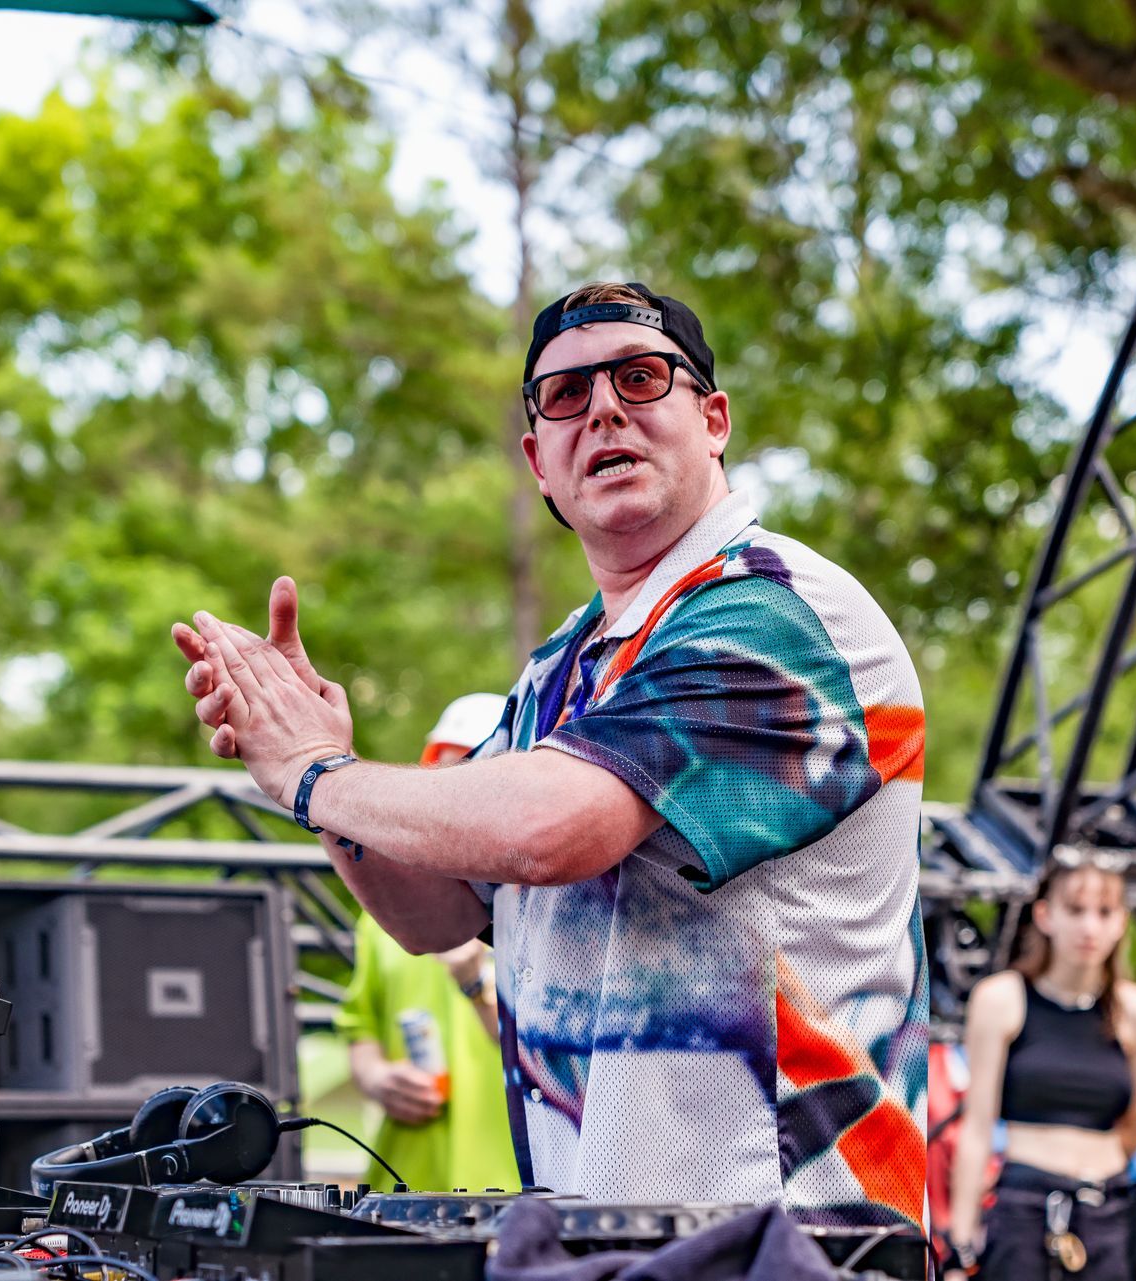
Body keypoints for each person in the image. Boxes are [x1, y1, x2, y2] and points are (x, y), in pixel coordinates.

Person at [173, 280, 928, 1227]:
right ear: (539, 459)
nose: (603, 407)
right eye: (566, 395)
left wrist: (318, 773)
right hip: (608, 1235)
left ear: (714, 419)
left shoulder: (770, 612)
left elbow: (550, 828)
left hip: (794, 1238)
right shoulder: (556, 670)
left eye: (642, 378)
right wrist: (321, 768)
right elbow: (436, 913)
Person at [945, 848, 1136, 1281]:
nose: (1090, 927)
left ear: (1122, 922)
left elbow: (1135, 1125)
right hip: (1023, 1208)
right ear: (1045, 915)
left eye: (1104, 912)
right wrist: (960, 1245)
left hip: (1106, 1212)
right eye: (1076, 910)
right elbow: (976, 1129)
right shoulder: (1001, 999)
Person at [335, 694, 519, 1193]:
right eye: (442, 774)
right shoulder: (386, 914)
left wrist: (475, 982)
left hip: (512, 1194)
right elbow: (359, 1031)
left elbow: (548, 1063)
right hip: (403, 1187)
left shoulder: (543, 908)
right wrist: (377, 1079)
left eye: (470, 775)